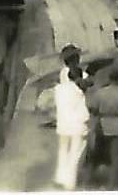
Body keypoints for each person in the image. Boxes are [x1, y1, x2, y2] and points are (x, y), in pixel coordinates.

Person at [86, 59, 118, 187]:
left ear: (110, 78)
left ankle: (88, 183)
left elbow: (93, 109)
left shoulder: (100, 93)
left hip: (102, 125)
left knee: (95, 157)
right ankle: (111, 186)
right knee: (115, 159)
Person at [51, 61, 91, 191]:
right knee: (75, 153)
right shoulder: (79, 91)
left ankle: (60, 177)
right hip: (77, 125)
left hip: (62, 124)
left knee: (63, 151)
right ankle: (70, 182)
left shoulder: (58, 89)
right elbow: (87, 86)